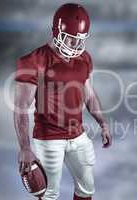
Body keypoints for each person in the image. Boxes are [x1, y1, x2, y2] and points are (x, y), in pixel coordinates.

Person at [13, 3, 112, 200]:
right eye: (71, 39)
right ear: (56, 32)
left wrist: (103, 123)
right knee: (49, 194)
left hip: (77, 134)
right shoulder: (35, 60)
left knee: (87, 188)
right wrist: (24, 147)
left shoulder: (84, 59)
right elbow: (20, 108)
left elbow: (89, 95)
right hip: (49, 137)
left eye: (79, 40)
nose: (75, 46)